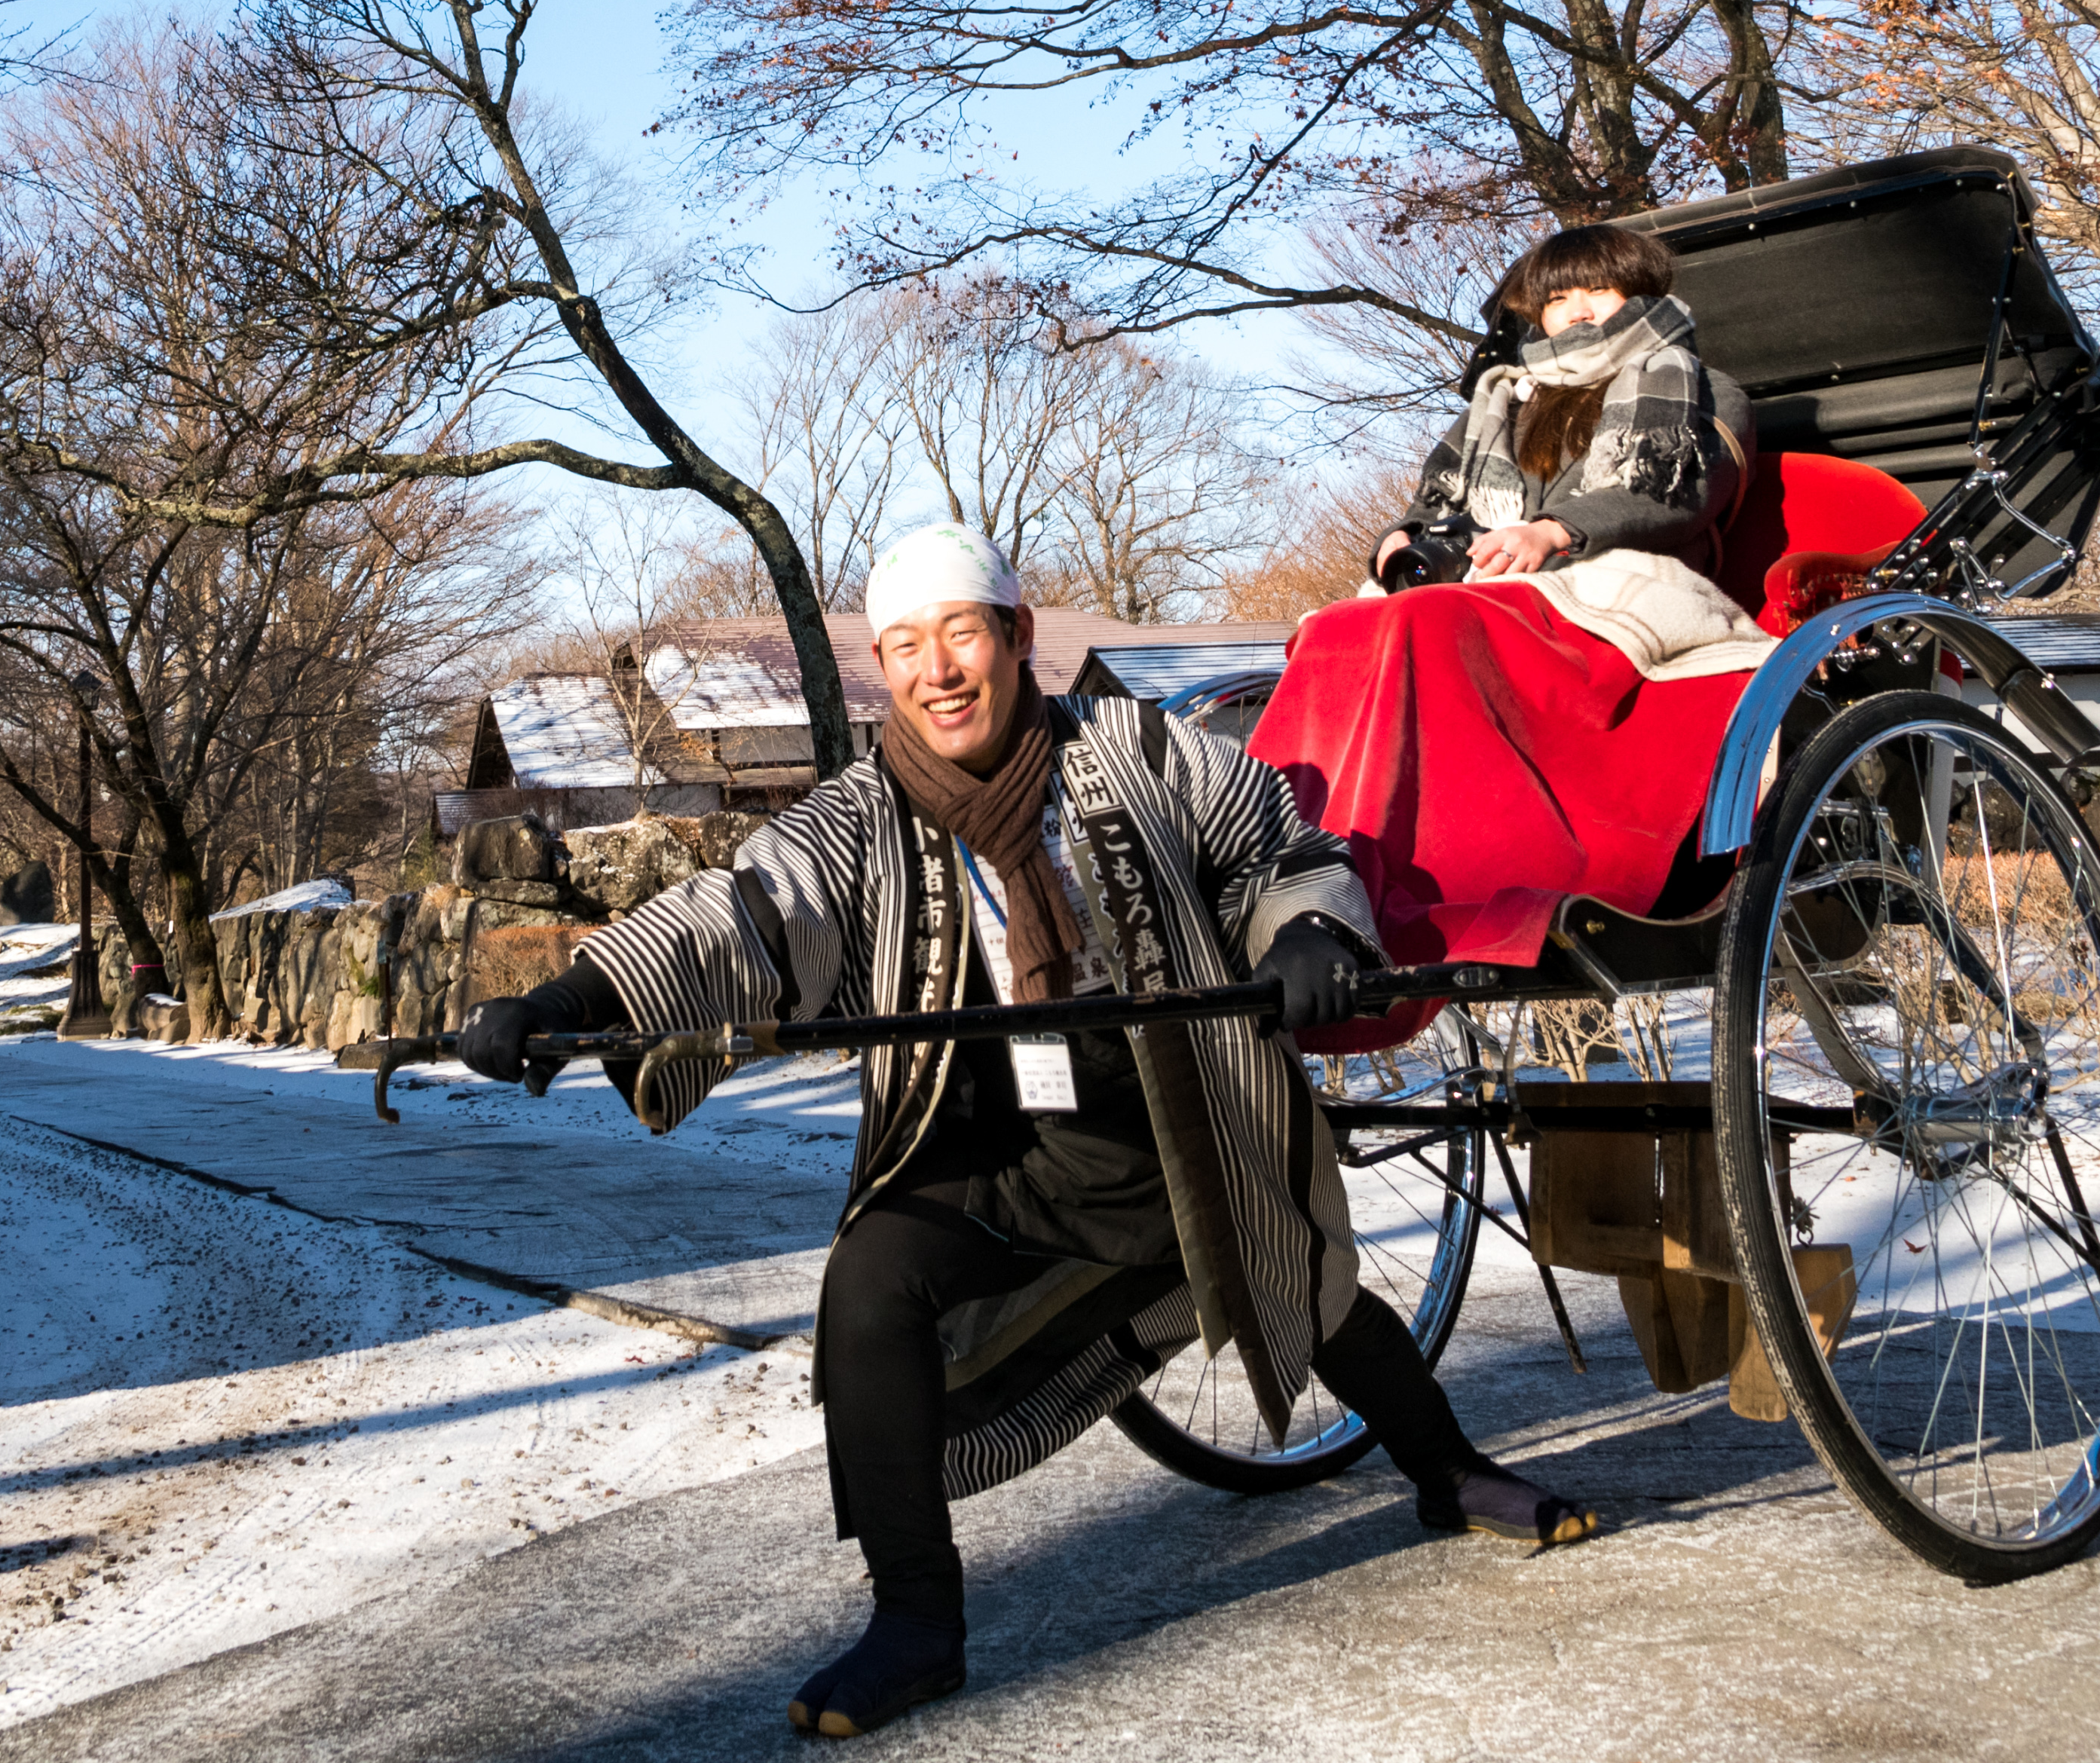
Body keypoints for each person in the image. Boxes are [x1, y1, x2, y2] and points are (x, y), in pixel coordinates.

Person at [455, 521, 1588, 1742]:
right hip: (996, 1150)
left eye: (959, 632)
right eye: (904, 646)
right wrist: (578, 998)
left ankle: (1445, 1467)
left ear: (1016, 637)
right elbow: (746, 910)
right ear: (885, 669)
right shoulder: (863, 813)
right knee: (871, 1280)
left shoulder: (1138, 753)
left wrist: (1307, 931)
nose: (937, 668)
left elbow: (1276, 845)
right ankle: (915, 1619)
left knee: (1299, 1279)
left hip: (1174, 1124)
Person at [1379, 221, 1749, 594]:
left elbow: (1682, 494)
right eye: (1557, 299)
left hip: (1629, 585)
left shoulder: (1701, 389)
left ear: (1641, 292)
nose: (1578, 312)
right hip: (1493, 587)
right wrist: (1404, 537)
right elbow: (1436, 503)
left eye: (1598, 289)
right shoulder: (1504, 401)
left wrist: (1553, 531)